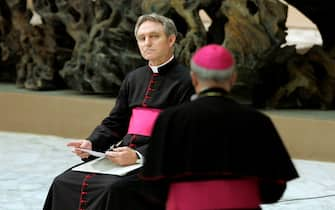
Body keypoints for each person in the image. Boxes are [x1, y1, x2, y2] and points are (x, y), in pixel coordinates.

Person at [43, 13, 194, 210]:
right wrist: (92, 142)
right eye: (142, 38)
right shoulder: (133, 78)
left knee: (113, 189)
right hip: (121, 155)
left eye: (154, 36)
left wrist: (139, 156)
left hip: (160, 161)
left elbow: (182, 136)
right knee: (63, 182)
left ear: (171, 39)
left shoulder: (187, 81)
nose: (147, 43)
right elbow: (116, 122)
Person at [141, 44, 299, 210]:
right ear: (233, 79)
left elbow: (154, 186)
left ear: (194, 79)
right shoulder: (259, 121)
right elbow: (274, 189)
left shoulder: (169, 119)